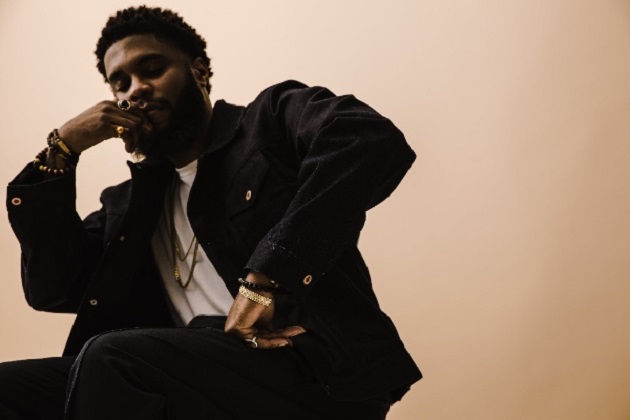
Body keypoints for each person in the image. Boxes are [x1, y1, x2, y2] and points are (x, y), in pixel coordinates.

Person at [2, 6, 421, 420]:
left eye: (152, 69)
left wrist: (264, 280)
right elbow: (54, 288)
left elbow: (366, 138)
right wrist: (61, 149)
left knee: (112, 357)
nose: (135, 91)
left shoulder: (267, 124)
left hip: (311, 367)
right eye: (121, 83)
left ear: (199, 71)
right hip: (190, 374)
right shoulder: (129, 204)